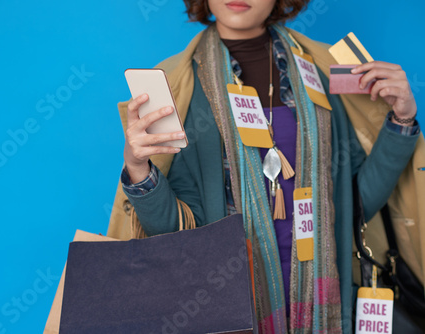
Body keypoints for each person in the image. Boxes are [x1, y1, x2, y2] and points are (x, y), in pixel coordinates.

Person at [108, 0, 424, 332]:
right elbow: (176, 235)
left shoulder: (326, 70)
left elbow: (353, 204)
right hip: (228, 307)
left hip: (324, 302)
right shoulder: (176, 87)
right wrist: (138, 169)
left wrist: (401, 122)